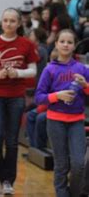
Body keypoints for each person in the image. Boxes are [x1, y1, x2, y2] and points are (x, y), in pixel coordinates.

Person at [0, 8, 39, 195]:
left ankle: (8, 181)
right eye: (5, 20)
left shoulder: (26, 44)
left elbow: (33, 70)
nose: (9, 24)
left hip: (16, 97)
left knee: (12, 142)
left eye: (13, 21)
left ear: (19, 23)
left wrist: (17, 73)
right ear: (1, 22)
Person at [35, 29, 89, 197]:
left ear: (74, 46)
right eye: (62, 41)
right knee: (61, 164)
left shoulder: (82, 69)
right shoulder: (49, 70)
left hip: (76, 121)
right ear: (56, 44)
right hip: (55, 121)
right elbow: (39, 97)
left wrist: (85, 85)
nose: (66, 45)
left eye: (70, 42)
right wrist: (56, 96)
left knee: (79, 164)